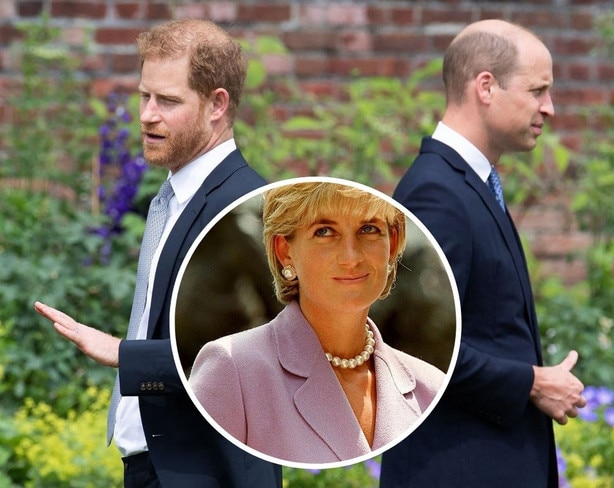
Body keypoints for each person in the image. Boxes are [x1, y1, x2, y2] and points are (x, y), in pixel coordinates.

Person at [34, 19, 281, 488]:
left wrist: (124, 355)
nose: (147, 115)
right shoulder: (173, 196)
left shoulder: (245, 206)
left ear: (217, 104)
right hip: (160, 468)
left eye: (167, 101)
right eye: (144, 96)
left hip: (209, 472)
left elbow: (255, 357)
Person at [379, 19, 586, 487]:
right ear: (486, 87)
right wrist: (530, 382)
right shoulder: (437, 193)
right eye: (537, 91)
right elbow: (409, 344)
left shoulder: (467, 185)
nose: (549, 108)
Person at [188, 180, 446, 464]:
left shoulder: (430, 386)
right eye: (324, 232)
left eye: (369, 229)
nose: (351, 257)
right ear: (285, 251)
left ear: (392, 243)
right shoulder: (231, 369)